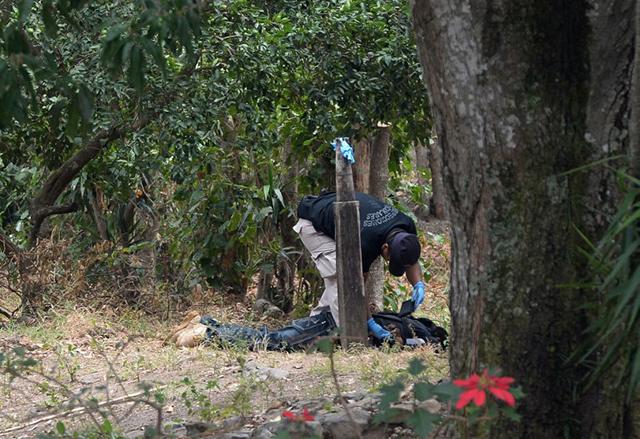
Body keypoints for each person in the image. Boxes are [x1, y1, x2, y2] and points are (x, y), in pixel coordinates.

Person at [294, 191, 425, 341]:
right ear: (385, 248)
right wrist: (369, 322)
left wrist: (418, 285)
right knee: (341, 279)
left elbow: (410, 258)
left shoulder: (406, 225)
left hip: (340, 218)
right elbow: (357, 287)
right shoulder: (366, 242)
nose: (389, 263)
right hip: (313, 225)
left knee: (339, 283)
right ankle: (349, 338)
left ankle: (315, 326)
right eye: (391, 260)